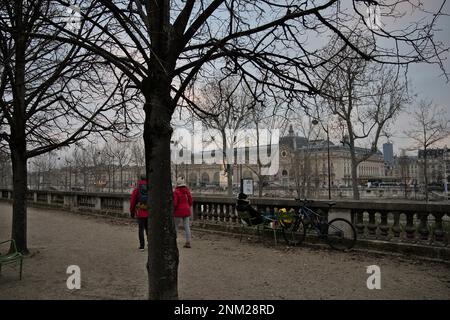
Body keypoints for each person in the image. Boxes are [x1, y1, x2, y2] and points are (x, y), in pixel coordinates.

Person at [130, 175, 149, 251]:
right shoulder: (150, 189)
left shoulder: (137, 190)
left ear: (140, 179)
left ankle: (142, 246)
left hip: (140, 213)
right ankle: (150, 244)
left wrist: (132, 212)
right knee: (149, 229)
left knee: (141, 230)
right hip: (149, 213)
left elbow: (132, 203)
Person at [173, 177, 193, 248]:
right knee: (187, 226)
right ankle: (188, 242)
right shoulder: (187, 190)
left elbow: (175, 203)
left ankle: (173, 242)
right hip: (186, 210)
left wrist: (173, 210)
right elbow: (190, 200)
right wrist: (188, 206)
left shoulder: (176, 192)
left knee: (175, 227)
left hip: (178, 211)